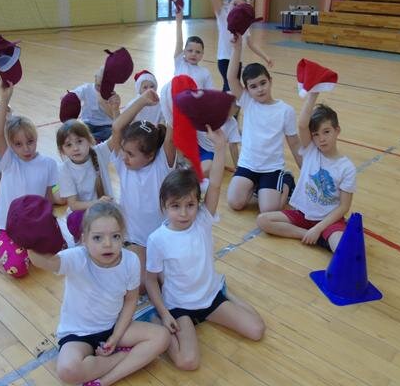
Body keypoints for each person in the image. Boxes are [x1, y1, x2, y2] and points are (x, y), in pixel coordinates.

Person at [145, 126, 264, 370]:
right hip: (180, 306)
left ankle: (225, 291)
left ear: (197, 204)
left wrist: (220, 148)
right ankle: (157, 323)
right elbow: (150, 280)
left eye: (190, 205)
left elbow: (216, 185)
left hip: (210, 298)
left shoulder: (202, 219)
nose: (184, 212)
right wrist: (165, 314)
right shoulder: (158, 239)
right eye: (175, 206)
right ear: (164, 206)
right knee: (187, 361)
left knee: (256, 329)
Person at [28, 201, 170, 386]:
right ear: (84, 239)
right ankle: (123, 357)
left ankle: (104, 380)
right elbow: (45, 262)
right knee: (67, 371)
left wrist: (115, 337)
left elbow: (131, 300)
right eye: (97, 238)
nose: (107, 244)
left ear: (123, 236)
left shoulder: (131, 261)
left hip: (113, 326)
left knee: (162, 337)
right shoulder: (76, 257)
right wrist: (27, 240)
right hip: (78, 334)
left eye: (115, 236)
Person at [257, 92, 356, 252]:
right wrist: (312, 94)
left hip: (329, 221)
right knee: (263, 220)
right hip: (302, 215)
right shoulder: (311, 150)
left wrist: (318, 228)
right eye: (316, 134)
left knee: (343, 249)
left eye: (326, 132)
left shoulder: (347, 168)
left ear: (337, 130)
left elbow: (344, 207)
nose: (321, 139)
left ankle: (318, 235)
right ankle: (311, 237)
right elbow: (302, 125)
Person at [107, 88, 176, 292]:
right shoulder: (122, 165)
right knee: (142, 284)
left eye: (131, 154)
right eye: (124, 151)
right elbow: (117, 127)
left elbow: (170, 135)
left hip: (164, 238)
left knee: (173, 280)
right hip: (136, 240)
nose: (124, 157)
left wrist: (170, 105)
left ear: (150, 155)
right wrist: (142, 100)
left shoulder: (162, 164)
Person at [0, 82, 59, 278]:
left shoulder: (49, 164)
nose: (26, 148)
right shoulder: (9, 162)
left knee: (60, 253)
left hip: (35, 224)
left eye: (30, 142)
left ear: (36, 138)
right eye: (18, 144)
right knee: (18, 268)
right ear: (11, 145)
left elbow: (49, 197)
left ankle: (29, 248)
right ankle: (23, 250)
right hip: (5, 226)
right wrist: (4, 99)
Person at [226, 39, 300, 213]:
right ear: (247, 90)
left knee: (268, 210)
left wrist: (306, 172)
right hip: (248, 165)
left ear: (270, 81)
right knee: (235, 203)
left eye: (263, 83)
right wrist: (237, 48)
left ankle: (287, 181)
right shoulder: (247, 102)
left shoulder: (286, 110)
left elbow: (295, 144)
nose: (259, 89)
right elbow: (231, 77)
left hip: (272, 168)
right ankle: (258, 186)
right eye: (253, 86)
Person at [211, 0, 273, 91]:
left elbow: (251, 44)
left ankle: (225, 103)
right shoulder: (223, 17)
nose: (237, 8)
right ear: (227, 4)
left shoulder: (243, 24)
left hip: (237, 60)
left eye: (241, 6)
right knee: (231, 87)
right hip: (224, 60)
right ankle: (228, 104)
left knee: (231, 87)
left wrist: (265, 56)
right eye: (234, 4)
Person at [73, 68, 121, 143]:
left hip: (105, 125)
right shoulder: (86, 88)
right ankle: (91, 139)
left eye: (104, 86)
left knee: (110, 133)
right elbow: (74, 95)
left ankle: (89, 139)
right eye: (98, 85)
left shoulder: (112, 96)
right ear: (95, 79)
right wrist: (67, 97)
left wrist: (111, 105)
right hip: (88, 122)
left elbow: (115, 118)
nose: (100, 89)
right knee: (78, 130)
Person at [174, 8, 215, 90]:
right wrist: (179, 22)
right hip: (178, 98)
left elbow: (210, 93)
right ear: (184, 52)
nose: (193, 54)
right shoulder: (180, 63)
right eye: (190, 51)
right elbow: (179, 43)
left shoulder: (205, 73)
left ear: (202, 54)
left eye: (198, 52)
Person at [197, 99, 240, 176]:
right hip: (195, 144)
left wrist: (238, 168)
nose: (236, 108)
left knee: (205, 171)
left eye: (237, 107)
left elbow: (233, 146)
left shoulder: (232, 123)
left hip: (208, 152)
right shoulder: (208, 111)